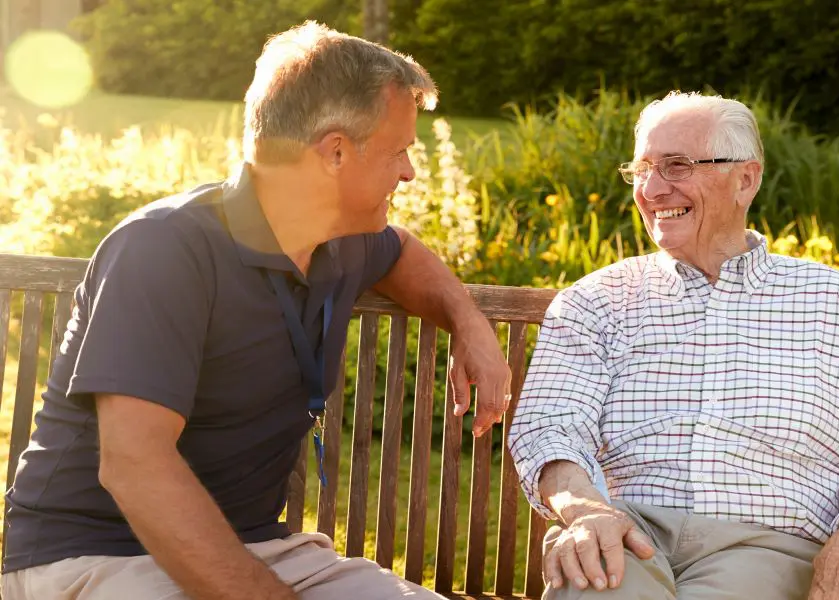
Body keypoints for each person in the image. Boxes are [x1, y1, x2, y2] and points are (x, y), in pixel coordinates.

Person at [2, 21, 511, 600]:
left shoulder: (340, 238)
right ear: (336, 152)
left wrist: (470, 326)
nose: (409, 172)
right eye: (398, 151)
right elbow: (134, 467)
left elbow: (405, 253)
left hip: (259, 550)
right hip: (97, 557)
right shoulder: (164, 248)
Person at [508, 91, 839, 600]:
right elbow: (549, 429)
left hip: (767, 545)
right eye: (642, 169)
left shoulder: (830, 301)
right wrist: (585, 509)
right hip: (624, 530)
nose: (652, 188)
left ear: (746, 179)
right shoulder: (597, 300)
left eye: (677, 166)